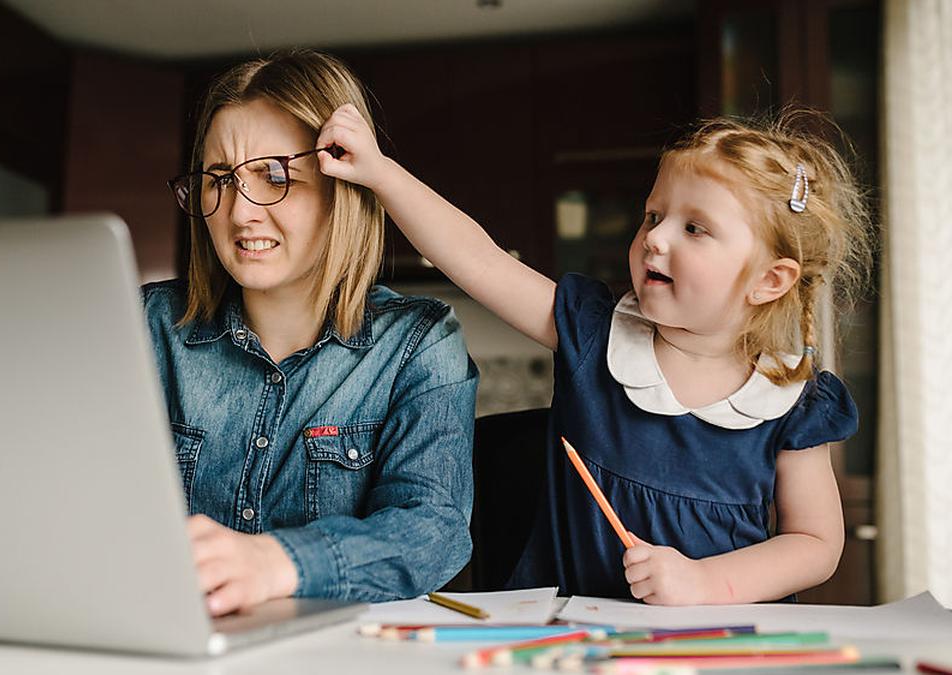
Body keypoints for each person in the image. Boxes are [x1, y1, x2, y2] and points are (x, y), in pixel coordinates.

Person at [318, 105, 872, 604]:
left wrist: (705, 584)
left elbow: (814, 544)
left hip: (717, 644)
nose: (655, 238)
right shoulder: (593, 333)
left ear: (770, 280)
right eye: (653, 216)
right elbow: (480, 262)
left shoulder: (793, 398)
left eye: (695, 228)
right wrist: (380, 173)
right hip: (571, 635)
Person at [142, 50, 478, 616]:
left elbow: (433, 532)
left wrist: (278, 563)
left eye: (275, 176)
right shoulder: (149, 327)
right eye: (220, 179)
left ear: (342, 188)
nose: (240, 212)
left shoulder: (417, 344)